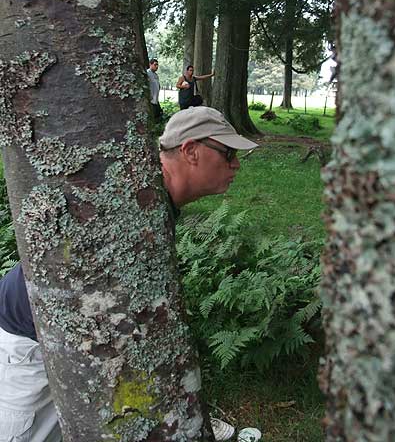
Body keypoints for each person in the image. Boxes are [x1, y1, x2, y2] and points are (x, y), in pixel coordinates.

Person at [0, 107, 258, 442]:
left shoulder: (151, 196)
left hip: (64, 335)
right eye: (228, 154)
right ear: (190, 150)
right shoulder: (137, 202)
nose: (236, 164)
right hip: (27, 342)